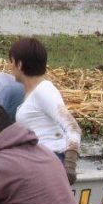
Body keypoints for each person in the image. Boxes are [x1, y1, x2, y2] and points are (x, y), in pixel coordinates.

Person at [9, 37, 82, 184]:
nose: (9, 67)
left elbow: (73, 128)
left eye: (11, 62)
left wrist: (69, 167)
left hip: (49, 162)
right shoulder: (31, 93)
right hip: (37, 162)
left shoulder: (44, 90)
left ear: (20, 64)